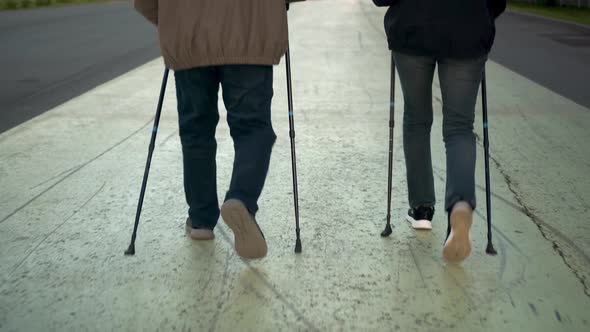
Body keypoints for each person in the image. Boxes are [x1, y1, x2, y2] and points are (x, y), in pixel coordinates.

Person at [134, 0, 292, 259]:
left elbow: (145, 3)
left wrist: (170, 19)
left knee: (196, 130)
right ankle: (241, 199)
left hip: (188, 33)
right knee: (252, 127)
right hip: (250, 31)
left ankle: (201, 221)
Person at [373, 0, 506, 262]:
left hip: (412, 25)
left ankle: (421, 209)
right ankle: (460, 204)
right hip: (467, 28)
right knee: (459, 127)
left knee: (416, 120)